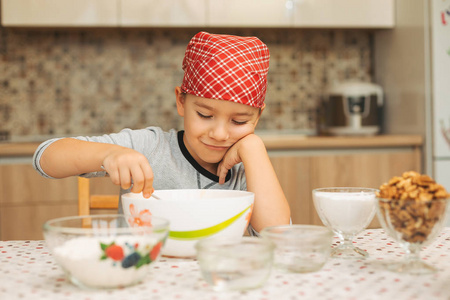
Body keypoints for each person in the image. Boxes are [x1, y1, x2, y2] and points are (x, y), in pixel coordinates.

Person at [32, 31, 291, 235]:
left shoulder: (245, 170)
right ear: (181, 101)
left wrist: (254, 148)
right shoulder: (149, 146)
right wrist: (109, 154)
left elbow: (279, 236)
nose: (220, 134)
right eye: (205, 115)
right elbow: (45, 158)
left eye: (239, 121)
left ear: (257, 117)